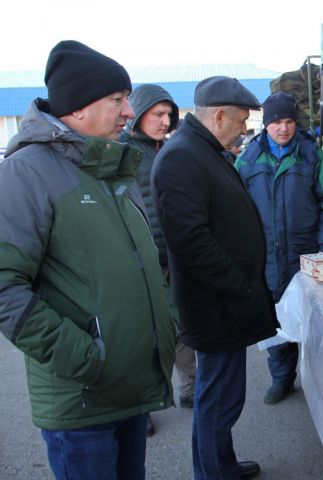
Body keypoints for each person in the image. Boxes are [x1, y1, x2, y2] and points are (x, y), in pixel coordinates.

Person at [0, 40, 177, 479]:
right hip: (83, 396)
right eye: (117, 100)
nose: (126, 112)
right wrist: (85, 357)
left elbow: (141, 262)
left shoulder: (112, 168)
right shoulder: (26, 173)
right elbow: (4, 286)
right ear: (78, 108)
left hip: (130, 386)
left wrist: (164, 322)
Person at [152, 76, 279, 479]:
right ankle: (212, 473)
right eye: (241, 120)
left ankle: (220, 463)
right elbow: (190, 241)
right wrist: (240, 285)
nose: (245, 129)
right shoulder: (182, 156)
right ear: (219, 115)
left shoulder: (202, 150)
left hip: (227, 301)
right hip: (216, 305)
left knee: (223, 396)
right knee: (217, 399)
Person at [236, 92, 323, 404]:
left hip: (305, 253)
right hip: (266, 256)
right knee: (273, 320)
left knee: (313, 319)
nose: (283, 128)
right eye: (276, 122)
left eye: (288, 122)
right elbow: (234, 208)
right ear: (265, 125)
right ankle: (281, 377)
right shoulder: (248, 160)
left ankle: (321, 383)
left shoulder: (312, 155)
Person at [119, 85, 196, 437]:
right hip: (140, 262)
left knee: (181, 324)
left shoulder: (171, 149)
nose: (166, 122)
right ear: (137, 114)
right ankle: (144, 404)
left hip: (174, 257)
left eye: (169, 115)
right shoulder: (119, 152)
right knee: (146, 335)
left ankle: (190, 388)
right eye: (157, 115)